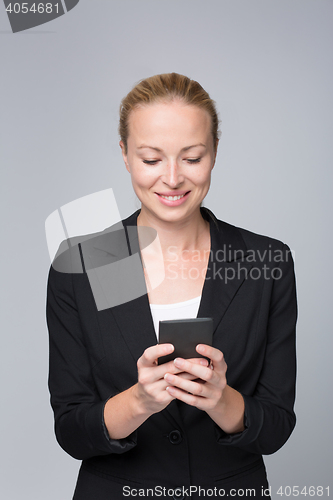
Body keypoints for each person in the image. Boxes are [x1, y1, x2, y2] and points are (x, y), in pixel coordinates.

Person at [46, 73, 297, 500]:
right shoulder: (83, 267)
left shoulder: (266, 261)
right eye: (151, 159)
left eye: (192, 157)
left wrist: (222, 399)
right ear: (125, 155)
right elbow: (72, 430)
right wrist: (139, 401)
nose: (173, 178)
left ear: (215, 153)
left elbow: (274, 427)